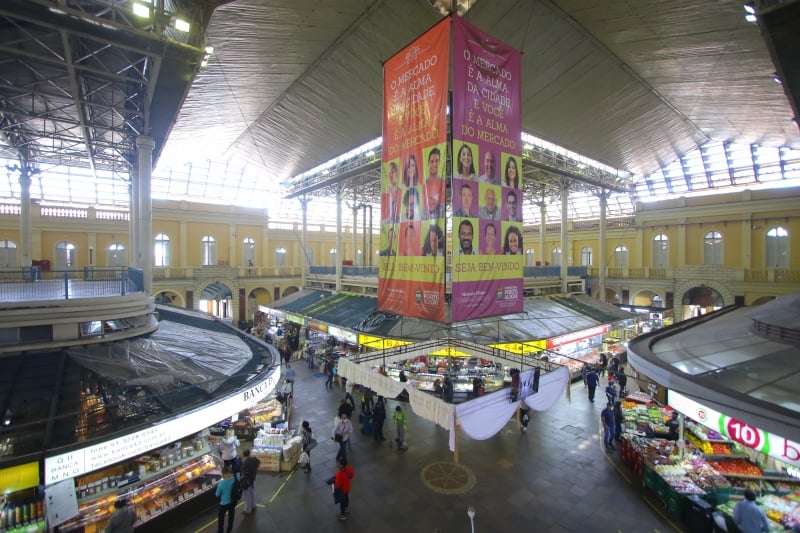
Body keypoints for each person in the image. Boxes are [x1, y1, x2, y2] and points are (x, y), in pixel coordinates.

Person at [423, 147, 445, 219]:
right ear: (428, 163)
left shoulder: (443, 183)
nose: (434, 164)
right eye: (432, 161)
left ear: (439, 162)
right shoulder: (424, 185)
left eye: (436, 161)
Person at [215, 465, 236, 533]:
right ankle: (229, 529)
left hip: (223, 504)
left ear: (224, 474)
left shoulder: (221, 483)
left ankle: (220, 531)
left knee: (221, 518)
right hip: (232, 502)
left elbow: (217, 494)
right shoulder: (234, 479)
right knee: (231, 517)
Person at [240, 448, 260, 514]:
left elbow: (243, 474)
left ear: (243, 455)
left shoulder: (245, 463)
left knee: (246, 495)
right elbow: (258, 462)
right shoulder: (254, 459)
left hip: (247, 481)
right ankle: (253, 505)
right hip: (252, 478)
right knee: (252, 492)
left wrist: (241, 479)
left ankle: (248, 510)